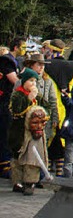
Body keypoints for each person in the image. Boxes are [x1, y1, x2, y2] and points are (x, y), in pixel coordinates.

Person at [8, 67, 48, 193]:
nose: (33, 84)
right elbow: (16, 110)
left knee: (32, 157)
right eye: (31, 81)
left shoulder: (39, 96)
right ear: (24, 81)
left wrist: (43, 116)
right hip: (20, 132)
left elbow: (47, 108)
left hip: (34, 132)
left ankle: (30, 182)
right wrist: (28, 99)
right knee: (18, 156)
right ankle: (17, 182)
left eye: (35, 81)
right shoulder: (17, 95)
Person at [0, 37, 26, 178]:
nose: (25, 50)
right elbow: (14, 81)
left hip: (9, 102)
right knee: (5, 133)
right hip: (4, 102)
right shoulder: (7, 60)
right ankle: (4, 166)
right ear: (16, 47)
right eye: (23, 47)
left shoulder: (17, 62)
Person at [11, 105, 49, 196]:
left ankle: (30, 183)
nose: (39, 126)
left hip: (34, 145)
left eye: (43, 122)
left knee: (32, 163)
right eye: (35, 123)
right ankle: (18, 182)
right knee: (17, 162)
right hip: (22, 144)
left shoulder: (41, 134)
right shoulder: (19, 128)